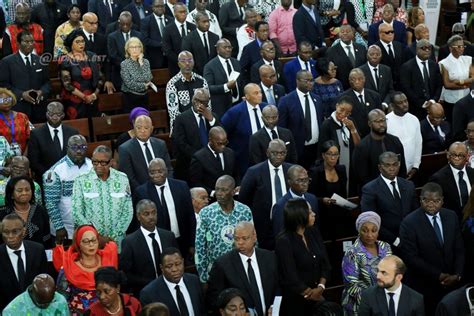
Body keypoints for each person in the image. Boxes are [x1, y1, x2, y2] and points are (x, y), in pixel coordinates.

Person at [400, 182, 464, 316]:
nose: (431, 204)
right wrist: (438, 275)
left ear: (442, 201)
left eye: (436, 201)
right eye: (426, 200)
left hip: (452, 284)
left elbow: (459, 248)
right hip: (425, 286)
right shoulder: (409, 223)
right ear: (420, 199)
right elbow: (411, 258)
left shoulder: (451, 216)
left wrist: (457, 275)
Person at [207, 221, 279, 315]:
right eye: (236, 239)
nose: (240, 243)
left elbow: (278, 286)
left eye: (245, 238)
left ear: (254, 236)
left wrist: (274, 307)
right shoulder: (222, 264)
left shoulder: (269, 258)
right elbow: (214, 299)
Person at [275, 198, 331, 315]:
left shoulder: (313, 231)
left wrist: (320, 287)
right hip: (296, 302)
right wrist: (311, 294)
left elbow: (325, 264)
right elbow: (290, 277)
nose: (314, 214)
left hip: (318, 295)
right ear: (299, 215)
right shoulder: (284, 241)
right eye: (310, 212)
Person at [71, 145, 133, 248]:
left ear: (111, 162)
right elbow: (77, 212)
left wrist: (113, 237)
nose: (98, 165)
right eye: (95, 162)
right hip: (91, 241)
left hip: (116, 241)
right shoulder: (81, 181)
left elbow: (128, 211)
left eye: (103, 162)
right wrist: (96, 236)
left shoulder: (122, 179)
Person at [195, 175, 253, 283]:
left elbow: (253, 241)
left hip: (241, 269)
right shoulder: (206, 213)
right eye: (217, 189)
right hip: (216, 272)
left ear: (233, 191)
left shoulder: (244, 211)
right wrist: (203, 278)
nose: (219, 193)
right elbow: (200, 247)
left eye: (224, 190)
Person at [135, 158, 196, 258]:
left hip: (182, 241)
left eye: (160, 171)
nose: (156, 175)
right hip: (158, 242)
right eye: (152, 172)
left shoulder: (182, 186)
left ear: (166, 171)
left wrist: (192, 244)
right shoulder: (141, 192)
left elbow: (190, 217)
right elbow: (139, 222)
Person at [52, 225, 118, 313]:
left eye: (94, 240)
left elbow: (116, 293)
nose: (91, 245)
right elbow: (61, 301)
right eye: (86, 241)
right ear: (79, 244)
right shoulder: (68, 267)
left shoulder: (107, 261)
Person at [240, 139, 291, 249]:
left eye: (282, 153)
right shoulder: (254, 172)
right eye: (275, 153)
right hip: (264, 227)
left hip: (289, 223)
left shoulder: (291, 170)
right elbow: (244, 199)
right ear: (268, 152)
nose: (279, 156)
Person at [120, 199, 178, 294]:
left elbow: (176, 261)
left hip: (171, 287)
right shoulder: (129, 242)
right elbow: (126, 274)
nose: (151, 217)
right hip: (145, 290)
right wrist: (153, 283)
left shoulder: (168, 236)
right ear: (138, 216)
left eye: (153, 213)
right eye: (146, 214)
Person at [361, 151, 417, 249]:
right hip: (386, 243)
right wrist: (395, 240)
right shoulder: (370, 189)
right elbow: (371, 220)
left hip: (411, 239)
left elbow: (416, 213)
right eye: (387, 165)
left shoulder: (409, 185)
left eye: (395, 164)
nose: (392, 168)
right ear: (380, 167)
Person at [43, 134, 93, 244]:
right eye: (74, 147)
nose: (79, 151)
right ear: (67, 148)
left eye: (82, 147)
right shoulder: (55, 171)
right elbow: (51, 203)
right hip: (66, 230)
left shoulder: (92, 166)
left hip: (90, 228)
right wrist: (59, 227)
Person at [341, 211, 392, 315]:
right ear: (359, 230)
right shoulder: (352, 253)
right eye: (365, 230)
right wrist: (376, 300)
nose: (369, 235)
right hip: (360, 305)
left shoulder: (385, 247)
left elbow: (392, 273)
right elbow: (351, 286)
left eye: (374, 231)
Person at [0, 213, 48, 311]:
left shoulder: (38, 250)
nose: (10, 236)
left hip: (36, 309)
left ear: (24, 232)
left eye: (15, 231)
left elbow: (44, 281)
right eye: (6, 232)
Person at [0, 31, 50, 123]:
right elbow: (4, 85)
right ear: (18, 43)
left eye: (32, 41)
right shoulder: (7, 62)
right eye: (26, 42)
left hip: (38, 109)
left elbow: (47, 82)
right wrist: (21, 94)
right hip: (18, 108)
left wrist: (41, 92)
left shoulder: (40, 61)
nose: (30, 44)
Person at [278, 70, 324, 169]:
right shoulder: (286, 101)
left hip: (316, 148)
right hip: (297, 149)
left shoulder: (317, 99)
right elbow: (282, 128)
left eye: (312, 80)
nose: (310, 83)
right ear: (297, 81)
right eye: (307, 80)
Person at [352, 109, 406, 191]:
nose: (382, 124)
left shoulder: (395, 141)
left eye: (384, 120)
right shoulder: (362, 147)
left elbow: (402, 169)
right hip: (373, 192)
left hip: (396, 189)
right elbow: (361, 177)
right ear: (370, 123)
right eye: (377, 121)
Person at [139, 247, 206, 315]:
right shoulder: (149, 293)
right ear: (162, 268)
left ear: (183, 262)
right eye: (169, 266)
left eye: (178, 264)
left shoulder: (194, 281)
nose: (174, 269)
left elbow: (202, 310)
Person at [171, 88, 218, 181]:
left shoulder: (212, 116)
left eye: (202, 101)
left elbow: (221, 136)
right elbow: (180, 143)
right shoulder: (181, 118)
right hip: (189, 164)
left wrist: (211, 120)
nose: (198, 103)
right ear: (192, 99)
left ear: (207, 102)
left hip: (211, 164)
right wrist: (200, 157)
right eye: (196, 99)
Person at [309, 140, 352, 240]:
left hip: (340, 214)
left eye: (336, 154)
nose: (333, 158)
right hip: (323, 215)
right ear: (323, 155)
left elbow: (344, 193)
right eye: (330, 154)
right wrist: (322, 200)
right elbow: (310, 196)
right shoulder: (315, 172)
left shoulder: (341, 169)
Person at [221, 83, 267, 176]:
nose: (260, 95)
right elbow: (223, 132)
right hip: (243, 159)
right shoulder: (234, 112)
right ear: (247, 96)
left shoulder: (266, 108)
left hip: (264, 156)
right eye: (256, 93)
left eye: (260, 92)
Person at [28, 101, 79, 184]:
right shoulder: (36, 134)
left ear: (63, 115)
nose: (55, 117)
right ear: (46, 114)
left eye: (58, 114)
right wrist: (50, 175)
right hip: (46, 179)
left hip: (70, 178)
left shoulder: (72, 132)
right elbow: (34, 162)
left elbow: (77, 157)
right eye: (51, 114)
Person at [118, 115, 173, 191]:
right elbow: (129, 178)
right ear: (134, 129)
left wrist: (167, 185)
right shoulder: (125, 149)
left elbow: (168, 169)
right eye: (139, 128)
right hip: (141, 192)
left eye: (146, 128)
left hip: (164, 187)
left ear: (151, 129)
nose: (142, 131)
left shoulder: (160, 144)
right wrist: (143, 192)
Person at [358, 255, 425, 315]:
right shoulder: (368, 295)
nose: (378, 276)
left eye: (384, 273)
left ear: (398, 277)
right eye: (378, 270)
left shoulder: (416, 299)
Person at [60, 28, 103, 119]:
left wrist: (94, 95)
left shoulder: (92, 56)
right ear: (71, 44)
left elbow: (100, 78)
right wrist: (84, 97)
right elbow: (67, 85)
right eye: (77, 42)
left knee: (95, 126)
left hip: (93, 98)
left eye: (83, 41)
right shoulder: (65, 60)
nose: (81, 44)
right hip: (74, 101)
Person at [318, 97, 360, 188]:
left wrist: (353, 129)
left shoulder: (351, 122)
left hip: (350, 165)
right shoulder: (327, 124)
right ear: (337, 106)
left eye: (347, 112)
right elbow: (322, 149)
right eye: (341, 110)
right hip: (334, 166)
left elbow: (358, 146)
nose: (343, 114)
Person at [2, 176, 51, 247]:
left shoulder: (40, 210)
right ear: (12, 195)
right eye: (19, 190)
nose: (24, 193)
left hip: (37, 254)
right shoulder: (3, 213)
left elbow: (47, 237)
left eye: (27, 189)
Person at [429, 142, 474, 220]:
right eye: (453, 155)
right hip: (451, 221)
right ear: (448, 155)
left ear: (467, 156)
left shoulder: (472, 173)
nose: (457, 158)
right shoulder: (438, 179)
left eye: (460, 155)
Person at [400, 39, 443, 120]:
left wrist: (433, 101)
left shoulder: (434, 65)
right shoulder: (407, 67)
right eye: (423, 48)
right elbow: (406, 88)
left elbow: (439, 84)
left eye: (429, 48)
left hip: (433, 107)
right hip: (415, 108)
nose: (427, 50)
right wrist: (422, 103)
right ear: (417, 50)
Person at [166, 51, 209, 132]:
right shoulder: (172, 84)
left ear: (194, 62)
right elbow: (173, 113)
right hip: (181, 126)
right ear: (178, 64)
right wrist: (190, 124)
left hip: (200, 122)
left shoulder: (202, 81)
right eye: (183, 61)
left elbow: (208, 106)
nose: (187, 63)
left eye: (190, 60)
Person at [271, 164, 318, 238]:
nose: (305, 184)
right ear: (289, 182)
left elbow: (316, 228)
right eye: (300, 180)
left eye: (307, 179)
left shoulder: (312, 199)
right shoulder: (280, 206)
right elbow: (279, 235)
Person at [189, 126, 239, 194]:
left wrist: (238, 186)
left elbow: (236, 174)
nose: (223, 146)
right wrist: (213, 193)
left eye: (225, 143)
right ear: (210, 140)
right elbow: (195, 183)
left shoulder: (230, 153)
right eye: (219, 143)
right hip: (210, 200)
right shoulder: (199, 157)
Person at [386, 92, 422, 180]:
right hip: (392, 170)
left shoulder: (414, 119)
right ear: (392, 106)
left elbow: (418, 143)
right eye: (400, 103)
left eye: (406, 101)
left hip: (412, 169)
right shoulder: (386, 121)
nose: (405, 104)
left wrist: (416, 166)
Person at [203, 38, 243, 117]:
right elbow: (208, 88)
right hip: (222, 108)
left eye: (230, 47)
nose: (228, 50)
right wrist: (226, 87)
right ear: (217, 50)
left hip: (238, 104)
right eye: (225, 47)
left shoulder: (236, 63)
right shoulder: (210, 66)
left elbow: (241, 81)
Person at [438, 35, 473, 122]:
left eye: (463, 46)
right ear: (450, 48)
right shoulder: (444, 63)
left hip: (467, 99)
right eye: (459, 46)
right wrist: (465, 85)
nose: (462, 48)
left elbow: (473, 79)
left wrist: (459, 81)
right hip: (451, 101)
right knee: (453, 125)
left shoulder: (468, 60)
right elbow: (447, 84)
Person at [107, 11, 143, 93]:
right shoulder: (112, 37)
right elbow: (113, 55)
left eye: (128, 24)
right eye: (123, 24)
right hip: (120, 75)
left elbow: (143, 53)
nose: (125, 26)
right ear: (119, 23)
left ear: (131, 23)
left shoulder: (139, 35)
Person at [339, 68, 382, 137]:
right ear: (349, 81)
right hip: (354, 137)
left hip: (373, 136)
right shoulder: (343, 98)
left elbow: (380, 117)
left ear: (364, 79)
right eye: (353, 79)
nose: (357, 82)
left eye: (360, 78)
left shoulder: (375, 96)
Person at [2, 274, 70, 315]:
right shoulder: (12, 311)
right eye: (41, 303)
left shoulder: (60, 301)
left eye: (50, 301)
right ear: (31, 290)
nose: (46, 305)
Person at [327, 25, 367, 90]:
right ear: (339, 34)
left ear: (353, 33)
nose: (345, 33)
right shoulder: (331, 51)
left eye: (348, 31)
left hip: (361, 87)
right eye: (342, 32)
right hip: (342, 88)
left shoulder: (361, 48)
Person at [162, 2, 196, 76]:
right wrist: (182, 61)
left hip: (193, 67)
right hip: (175, 67)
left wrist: (190, 61)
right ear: (174, 13)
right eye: (181, 12)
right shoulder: (168, 29)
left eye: (185, 12)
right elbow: (167, 50)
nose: (184, 14)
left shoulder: (193, 27)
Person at [120, 37, 153, 113]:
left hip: (144, 97)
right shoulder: (124, 64)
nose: (134, 49)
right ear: (128, 49)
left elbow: (148, 78)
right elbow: (129, 83)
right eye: (132, 47)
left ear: (141, 49)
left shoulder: (146, 62)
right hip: (130, 98)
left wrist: (141, 63)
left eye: (137, 47)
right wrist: (144, 85)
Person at [182, 12, 219, 76]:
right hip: (196, 75)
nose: (207, 24)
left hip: (213, 74)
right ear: (196, 23)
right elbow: (187, 60)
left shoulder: (215, 37)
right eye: (204, 22)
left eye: (208, 21)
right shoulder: (188, 39)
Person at [140, 0, 173, 69]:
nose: (160, 8)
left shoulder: (171, 20)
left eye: (162, 6)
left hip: (171, 58)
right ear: (152, 7)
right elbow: (145, 40)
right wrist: (161, 44)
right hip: (155, 58)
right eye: (157, 6)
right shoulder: (146, 21)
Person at [0, 88, 30, 155]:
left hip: (23, 157)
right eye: (2, 100)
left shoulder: (23, 116)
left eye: (8, 99)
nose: (6, 102)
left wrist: (24, 156)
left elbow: (31, 139)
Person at [375, 23, 405, 89]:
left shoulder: (398, 45)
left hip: (399, 85)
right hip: (384, 84)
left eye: (392, 32)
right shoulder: (375, 48)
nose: (390, 34)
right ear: (380, 34)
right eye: (387, 32)